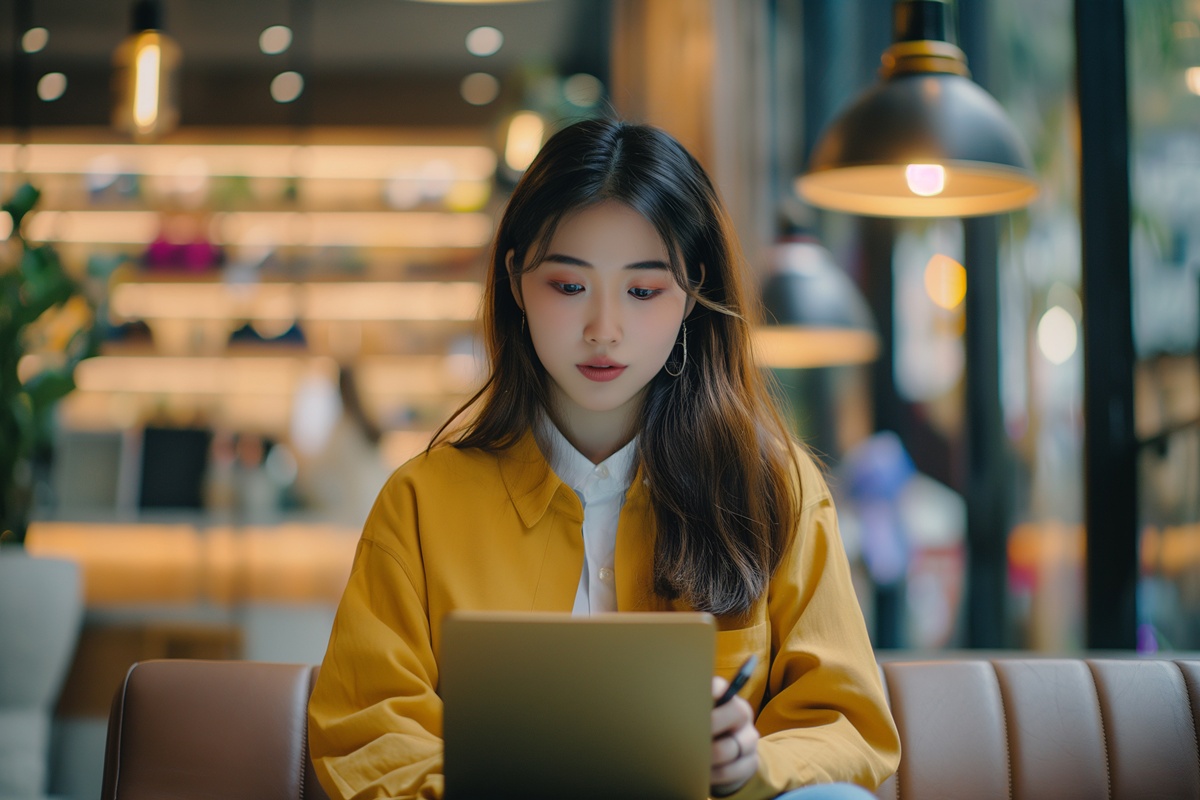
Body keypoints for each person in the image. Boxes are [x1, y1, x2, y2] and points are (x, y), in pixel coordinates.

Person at [307, 118, 900, 800]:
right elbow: (368, 731)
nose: (604, 330)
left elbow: (847, 721)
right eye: (568, 286)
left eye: (643, 291)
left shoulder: (774, 488)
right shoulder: (421, 503)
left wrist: (748, 762)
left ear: (691, 294)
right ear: (515, 282)